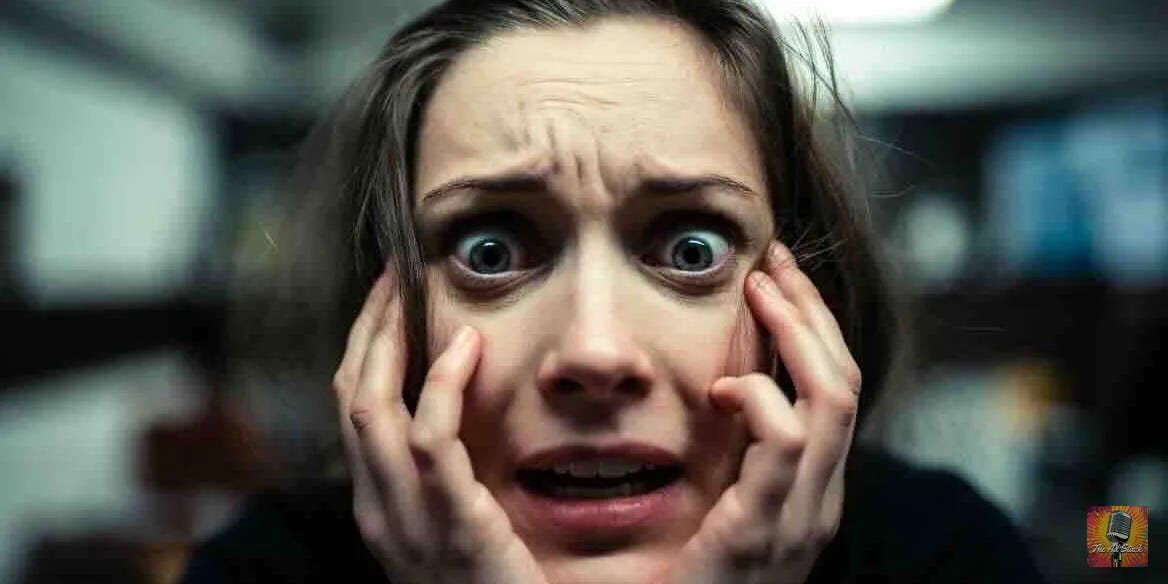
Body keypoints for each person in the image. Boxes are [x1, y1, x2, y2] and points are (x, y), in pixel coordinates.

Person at [181, 0, 1047, 582]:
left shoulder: (945, 549)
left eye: (691, 248)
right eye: (489, 250)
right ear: (383, 314)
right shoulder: (261, 567)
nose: (595, 353)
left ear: (809, 297)